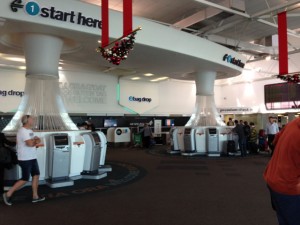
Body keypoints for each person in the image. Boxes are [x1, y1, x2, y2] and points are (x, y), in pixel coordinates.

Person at [264, 117, 300, 225]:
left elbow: (275, 139)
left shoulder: (293, 123)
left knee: (284, 218)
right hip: (289, 186)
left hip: (273, 178)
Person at [3, 115, 45, 206]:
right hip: (25, 158)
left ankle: (35, 196)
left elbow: (33, 140)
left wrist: (35, 141)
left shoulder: (29, 130)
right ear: (27, 121)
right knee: (25, 179)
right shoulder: (23, 131)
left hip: (32, 157)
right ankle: (7, 194)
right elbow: (30, 144)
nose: (33, 120)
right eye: (31, 119)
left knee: (36, 175)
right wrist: (36, 141)